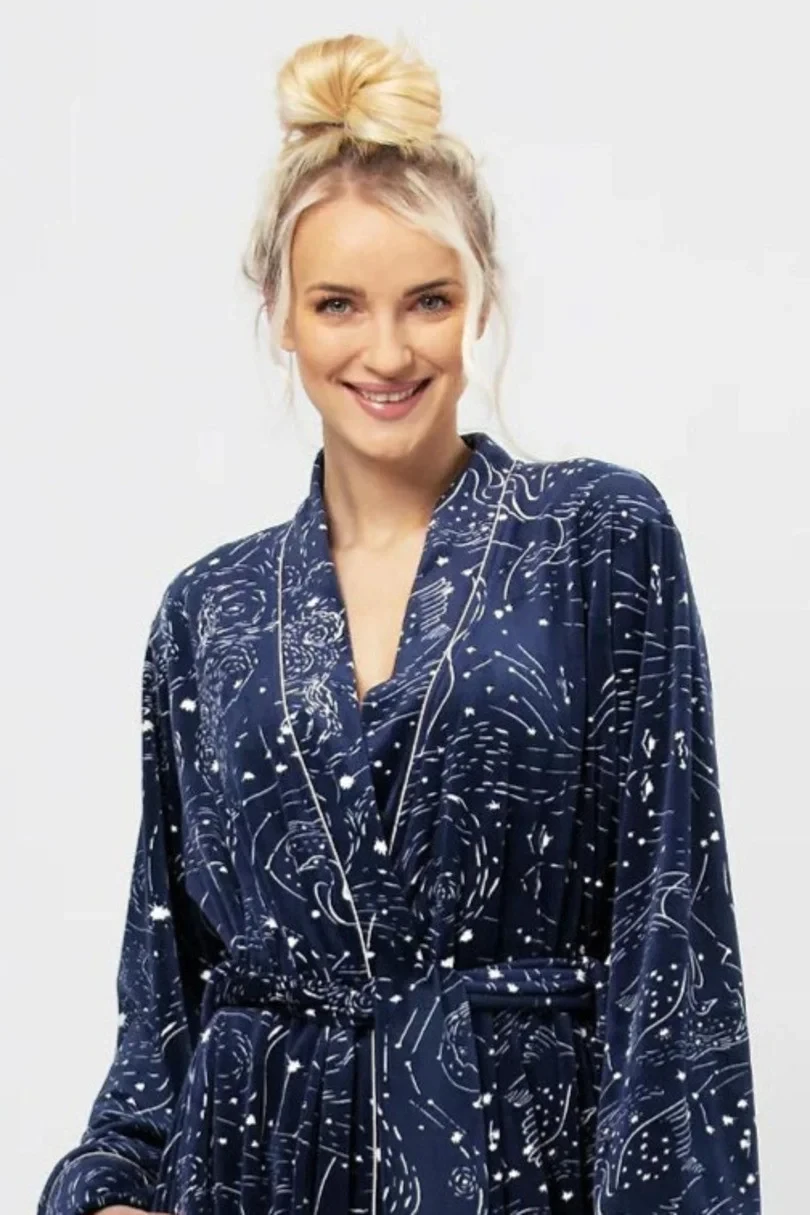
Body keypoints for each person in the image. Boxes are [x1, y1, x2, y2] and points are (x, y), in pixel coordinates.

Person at [37, 31, 762, 1215]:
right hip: (254, 1173)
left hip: (517, 1171)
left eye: (428, 301)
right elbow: (163, 993)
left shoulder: (596, 540)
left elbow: (671, 943)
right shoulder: (210, 612)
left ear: (479, 303)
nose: (386, 351)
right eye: (339, 304)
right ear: (281, 314)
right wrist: (116, 1186)